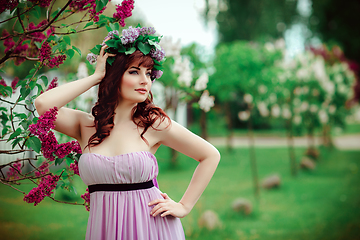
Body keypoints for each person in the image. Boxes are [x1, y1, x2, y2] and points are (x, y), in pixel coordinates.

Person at [34, 25, 220, 240]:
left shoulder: (153, 124)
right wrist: (96, 77)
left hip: (151, 229)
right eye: (134, 71)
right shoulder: (85, 125)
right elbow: (43, 104)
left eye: (149, 74)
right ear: (113, 76)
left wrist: (184, 206)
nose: (145, 81)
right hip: (104, 230)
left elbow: (210, 155)